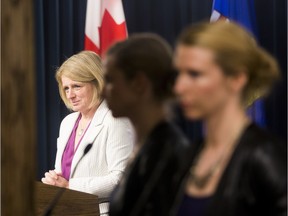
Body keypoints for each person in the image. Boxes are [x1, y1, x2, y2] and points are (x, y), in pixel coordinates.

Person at [173, 21, 287, 216]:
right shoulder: (190, 155)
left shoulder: (266, 157)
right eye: (179, 73)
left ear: (236, 79)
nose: (179, 87)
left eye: (195, 74)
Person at [103, 33, 192, 216]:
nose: (104, 92)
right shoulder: (148, 146)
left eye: (110, 81)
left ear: (139, 84)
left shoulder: (166, 154)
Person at [41, 50, 134, 215]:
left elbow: (121, 179)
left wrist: (70, 187)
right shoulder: (67, 123)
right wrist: (53, 181)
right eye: (66, 88)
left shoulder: (116, 119)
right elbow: (63, 171)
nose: (70, 95)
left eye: (77, 86)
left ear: (97, 83)